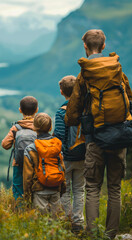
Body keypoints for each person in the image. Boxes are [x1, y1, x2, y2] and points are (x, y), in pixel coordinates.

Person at [65, 29, 132, 239]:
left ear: (85, 47)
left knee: (93, 187)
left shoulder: (85, 73)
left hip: (95, 139)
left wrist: (74, 121)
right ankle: (111, 235)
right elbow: (131, 103)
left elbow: (72, 111)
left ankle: (93, 234)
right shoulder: (116, 69)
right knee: (114, 188)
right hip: (118, 136)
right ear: (104, 46)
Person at [54, 75, 86, 233]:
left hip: (66, 158)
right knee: (80, 189)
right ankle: (78, 221)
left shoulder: (61, 113)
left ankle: (67, 220)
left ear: (61, 92)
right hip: (83, 156)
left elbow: (59, 136)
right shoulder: (84, 109)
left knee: (65, 190)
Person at [23, 113, 65, 216]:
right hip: (55, 188)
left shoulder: (30, 149)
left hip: (39, 189)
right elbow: (62, 168)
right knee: (56, 221)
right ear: (51, 127)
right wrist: (62, 188)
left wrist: (27, 195)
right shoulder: (57, 146)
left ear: (34, 128)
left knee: (41, 222)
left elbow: (27, 176)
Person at [2, 96, 38, 200]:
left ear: (20, 110)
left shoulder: (16, 128)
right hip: (35, 164)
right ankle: (33, 212)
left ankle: (20, 213)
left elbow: (5, 145)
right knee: (34, 189)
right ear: (36, 110)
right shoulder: (39, 127)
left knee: (18, 190)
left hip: (18, 163)